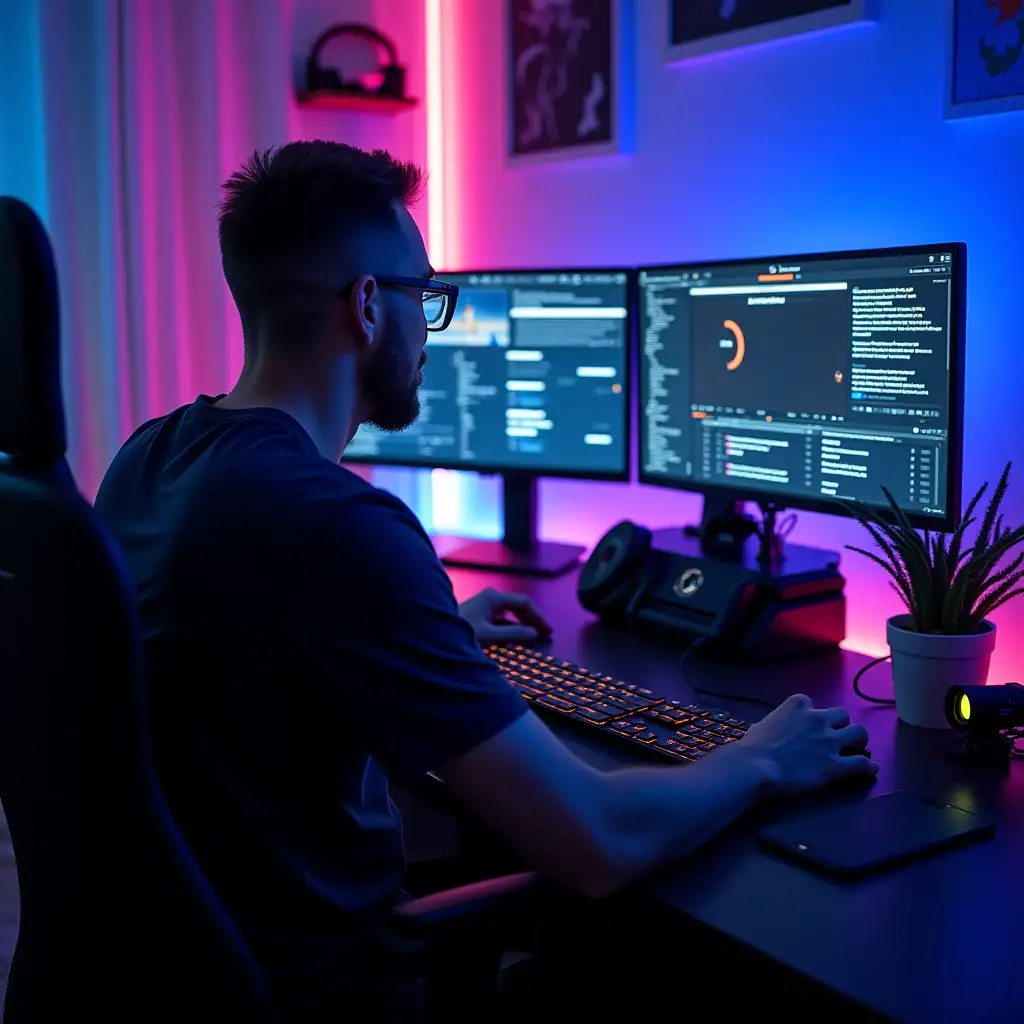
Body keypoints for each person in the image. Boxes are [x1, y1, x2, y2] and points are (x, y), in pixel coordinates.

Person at [94, 140, 878, 1020]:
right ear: (366, 306)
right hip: (321, 990)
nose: (434, 326)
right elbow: (595, 840)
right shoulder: (339, 527)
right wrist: (760, 759)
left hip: (165, 972)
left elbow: (229, 655)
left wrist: (430, 633)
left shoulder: (148, 455)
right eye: (425, 298)